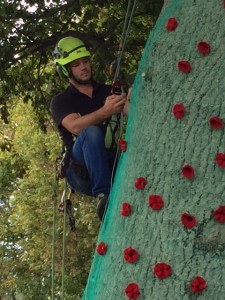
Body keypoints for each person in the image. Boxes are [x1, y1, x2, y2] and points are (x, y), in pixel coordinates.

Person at [50, 36, 129, 221]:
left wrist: (131, 97)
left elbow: (133, 113)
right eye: (76, 64)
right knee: (90, 132)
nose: (83, 67)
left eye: (85, 61)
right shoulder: (61, 101)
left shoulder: (109, 91)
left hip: (112, 162)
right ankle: (104, 198)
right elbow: (76, 127)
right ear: (65, 70)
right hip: (80, 170)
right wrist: (106, 111)